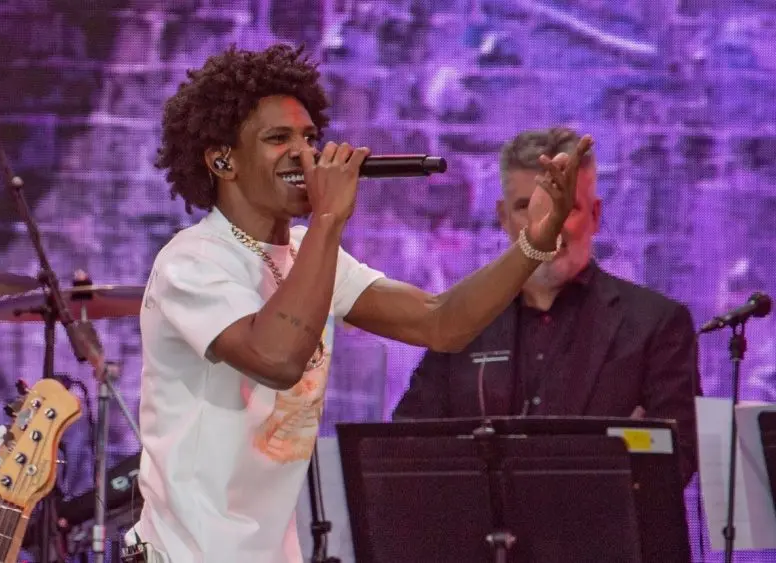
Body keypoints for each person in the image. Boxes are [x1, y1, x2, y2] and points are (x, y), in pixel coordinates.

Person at [133, 45, 592, 563]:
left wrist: (532, 243)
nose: (304, 154)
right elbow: (277, 359)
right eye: (278, 139)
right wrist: (329, 218)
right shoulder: (193, 262)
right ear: (223, 160)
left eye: (310, 138)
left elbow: (442, 324)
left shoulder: (307, 252)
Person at [392, 127, 700, 485]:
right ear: (503, 217)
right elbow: (406, 449)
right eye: (527, 207)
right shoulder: (462, 319)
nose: (547, 226)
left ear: (595, 215)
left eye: (564, 206)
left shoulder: (657, 325)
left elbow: (674, 461)